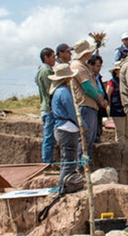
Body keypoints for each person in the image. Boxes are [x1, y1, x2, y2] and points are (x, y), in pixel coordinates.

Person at [70, 39, 107, 172]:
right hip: (85, 105)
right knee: (85, 139)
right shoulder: (77, 67)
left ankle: (85, 165)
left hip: (90, 106)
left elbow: (95, 86)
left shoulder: (83, 66)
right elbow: (87, 87)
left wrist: (100, 95)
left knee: (89, 139)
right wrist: (100, 99)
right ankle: (81, 167)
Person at [48, 64, 80, 194]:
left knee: (68, 159)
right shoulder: (64, 92)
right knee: (69, 160)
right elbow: (72, 110)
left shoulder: (57, 91)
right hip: (67, 128)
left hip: (62, 127)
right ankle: (62, 187)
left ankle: (65, 185)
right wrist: (81, 124)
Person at [36, 47, 57, 164]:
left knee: (49, 137)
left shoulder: (42, 70)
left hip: (47, 108)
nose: (54, 60)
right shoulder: (45, 71)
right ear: (46, 58)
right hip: (49, 108)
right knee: (49, 137)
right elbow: (50, 91)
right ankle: (47, 162)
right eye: (53, 57)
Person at [106, 61, 127, 143]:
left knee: (127, 132)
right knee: (120, 132)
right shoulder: (112, 82)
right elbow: (108, 94)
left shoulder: (125, 81)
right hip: (117, 109)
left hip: (125, 108)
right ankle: (120, 150)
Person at [88, 55, 107, 143]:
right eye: (97, 66)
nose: (99, 68)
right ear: (90, 65)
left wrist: (106, 100)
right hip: (93, 105)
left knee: (98, 127)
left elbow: (102, 90)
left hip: (100, 106)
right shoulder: (88, 77)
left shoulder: (98, 77)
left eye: (100, 66)